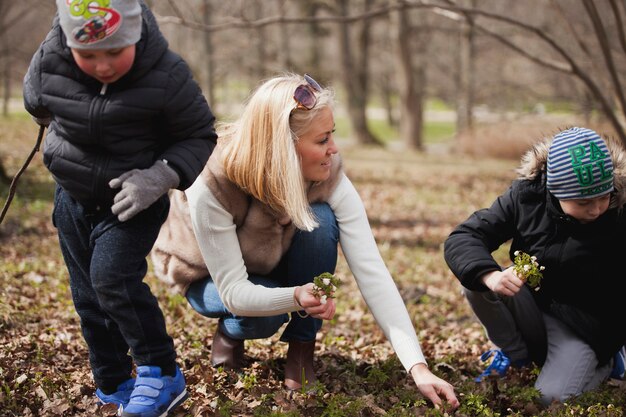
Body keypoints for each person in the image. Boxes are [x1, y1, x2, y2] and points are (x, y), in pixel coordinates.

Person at [151, 73, 459, 409]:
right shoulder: (211, 177)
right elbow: (235, 293)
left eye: (332, 135)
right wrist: (296, 295)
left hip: (272, 260)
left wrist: (418, 367)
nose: (334, 149)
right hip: (206, 274)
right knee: (260, 316)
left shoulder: (326, 173)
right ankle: (230, 333)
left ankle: (301, 348)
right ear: (283, 145)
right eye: (322, 139)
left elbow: (372, 270)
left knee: (321, 219)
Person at [22, 1, 217, 416]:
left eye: (115, 52)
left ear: (135, 35)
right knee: (87, 294)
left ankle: (162, 373)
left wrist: (160, 175)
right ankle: (112, 379)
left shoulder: (168, 74)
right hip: (71, 197)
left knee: (111, 280)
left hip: (133, 201)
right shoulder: (51, 60)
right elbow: (35, 101)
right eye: (88, 54)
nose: (103, 66)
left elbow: (199, 135)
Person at [443, 126, 626, 406]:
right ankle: (515, 356)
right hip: (532, 304)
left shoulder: (620, 214)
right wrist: (490, 276)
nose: (596, 209)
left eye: (604, 197)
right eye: (583, 202)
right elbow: (465, 236)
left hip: (586, 327)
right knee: (475, 282)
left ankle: (607, 361)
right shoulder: (526, 197)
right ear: (554, 190)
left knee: (549, 398)